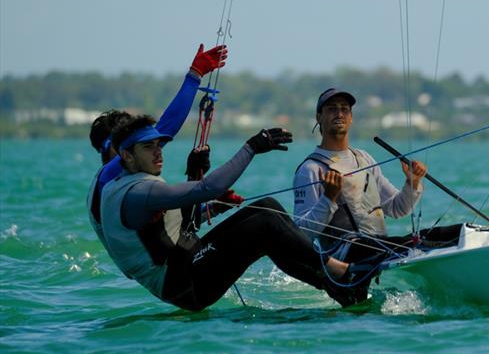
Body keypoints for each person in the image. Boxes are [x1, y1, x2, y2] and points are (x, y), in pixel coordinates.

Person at [99, 114, 358, 310]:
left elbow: (175, 228)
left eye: (159, 144)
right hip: (183, 285)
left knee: (266, 207)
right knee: (266, 223)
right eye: (147, 147)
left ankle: (335, 287)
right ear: (127, 155)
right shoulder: (137, 192)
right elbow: (209, 187)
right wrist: (252, 147)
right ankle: (339, 272)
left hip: (184, 266)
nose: (158, 152)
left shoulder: (127, 183)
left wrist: (214, 206)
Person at [87, 43, 228, 251]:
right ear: (115, 148)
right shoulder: (108, 175)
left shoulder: (121, 182)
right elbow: (165, 129)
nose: (148, 143)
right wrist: (194, 75)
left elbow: (176, 224)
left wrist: (214, 207)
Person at [293, 88, 430, 269]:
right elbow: (301, 234)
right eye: (332, 109)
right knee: (414, 248)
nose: (339, 113)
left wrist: (412, 182)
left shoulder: (364, 159)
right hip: (344, 258)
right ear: (319, 117)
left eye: (344, 109)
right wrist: (328, 199)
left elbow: (397, 208)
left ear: (351, 118)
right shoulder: (310, 169)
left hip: (380, 248)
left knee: (440, 237)